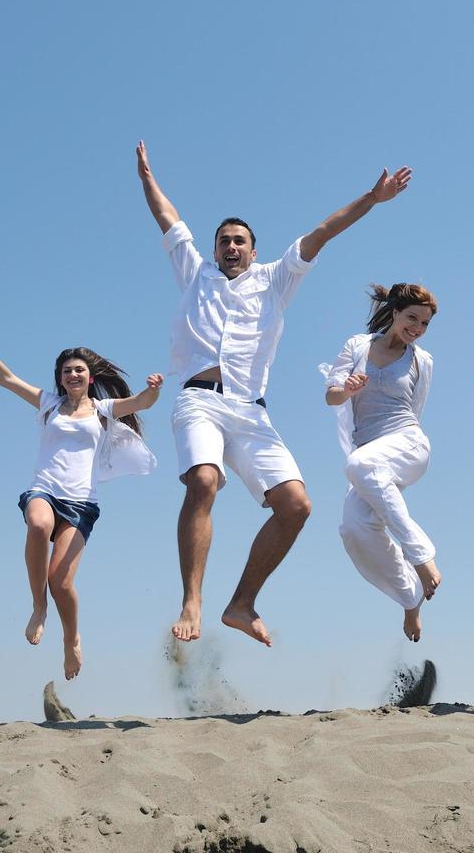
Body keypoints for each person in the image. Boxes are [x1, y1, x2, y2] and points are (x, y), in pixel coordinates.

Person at [136, 140, 413, 647]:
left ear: (254, 249)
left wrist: (371, 200)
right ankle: (191, 600)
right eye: (224, 240)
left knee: (296, 506)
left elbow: (323, 233)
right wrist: (146, 177)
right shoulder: (195, 273)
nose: (231, 247)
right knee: (203, 480)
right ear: (215, 248)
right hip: (199, 400)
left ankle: (241, 604)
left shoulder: (275, 279)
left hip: (251, 414)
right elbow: (168, 217)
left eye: (240, 240)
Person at [0, 340, 162, 680]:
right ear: (60, 379)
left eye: (79, 369)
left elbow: (141, 402)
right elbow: (6, 378)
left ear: (90, 377)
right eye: (67, 371)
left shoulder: (103, 409)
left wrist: (152, 389)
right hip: (45, 490)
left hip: (81, 503)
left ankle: (71, 639)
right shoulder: (48, 404)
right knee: (37, 524)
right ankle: (39, 606)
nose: (73, 374)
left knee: (61, 582)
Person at [322, 283, 439, 642]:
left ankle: (420, 556)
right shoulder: (357, 346)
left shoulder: (422, 360)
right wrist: (349, 390)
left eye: (424, 323)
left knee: (359, 466)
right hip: (368, 455)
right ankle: (410, 598)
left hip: (406, 444)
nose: (417, 328)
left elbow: (415, 412)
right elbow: (331, 395)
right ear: (394, 313)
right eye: (412, 318)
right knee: (354, 527)